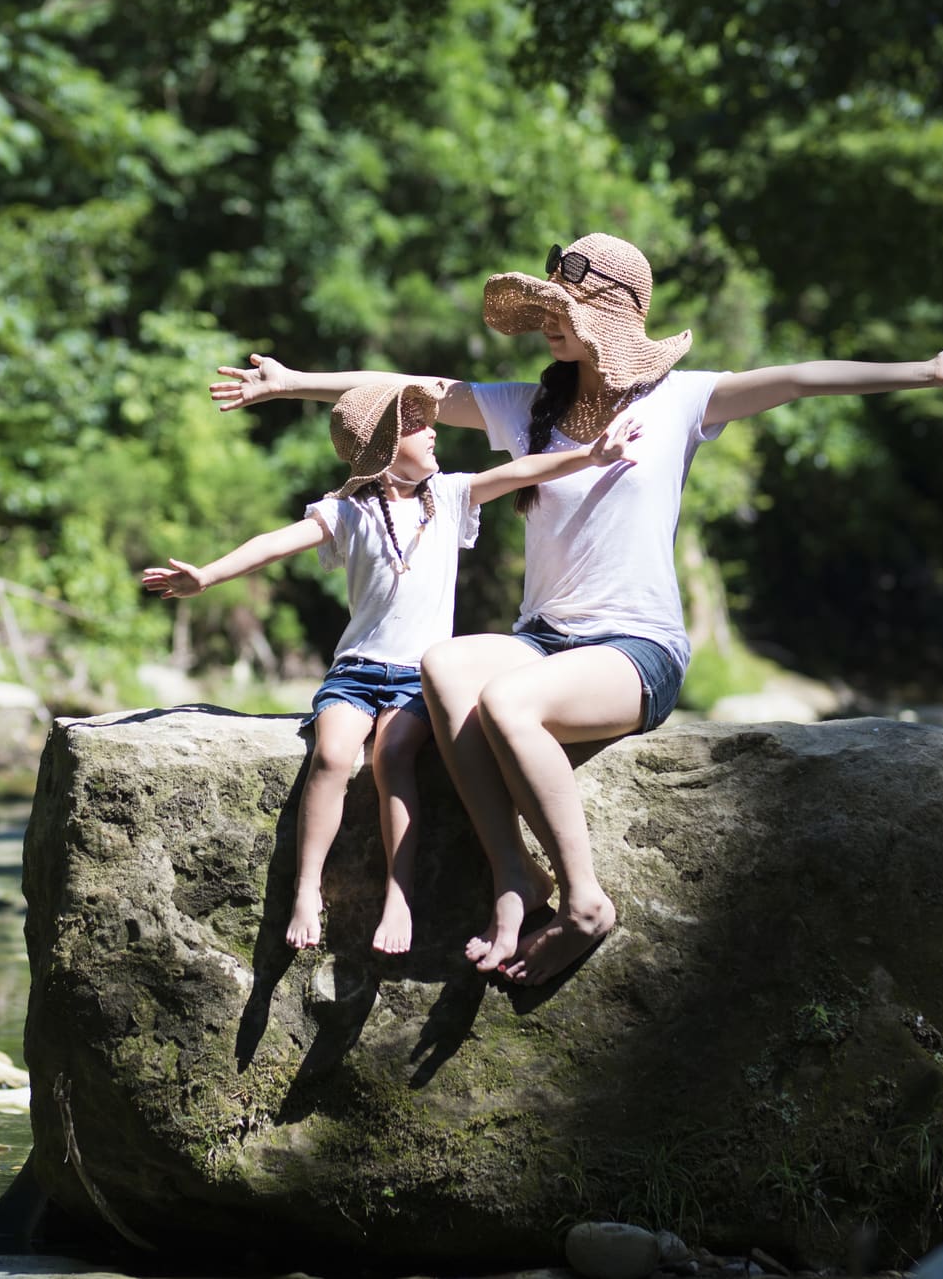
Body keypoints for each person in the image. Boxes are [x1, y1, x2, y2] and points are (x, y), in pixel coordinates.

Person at [209, 233, 943, 984]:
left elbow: (800, 378)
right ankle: (512, 876)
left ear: (613, 319)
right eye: (544, 314)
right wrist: (292, 386)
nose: (547, 329)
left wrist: (926, 370)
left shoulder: (680, 401)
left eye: (561, 314)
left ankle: (585, 898)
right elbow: (407, 392)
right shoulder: (526, 408)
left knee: (506, 702)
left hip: (634, 651)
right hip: (544, 639)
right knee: (445, 664)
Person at [142, 380, 642, 955]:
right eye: (416, 425)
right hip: (355, 670)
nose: (434, 431)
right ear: (383, 444)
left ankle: (397, 896)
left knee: (393, 755)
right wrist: (207, 575)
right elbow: (274, 543)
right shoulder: (346, 512)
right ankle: (308, 889)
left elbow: (521, 473)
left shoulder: (451, 497)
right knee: (331, 756)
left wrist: (593, 454)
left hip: (419, 678)